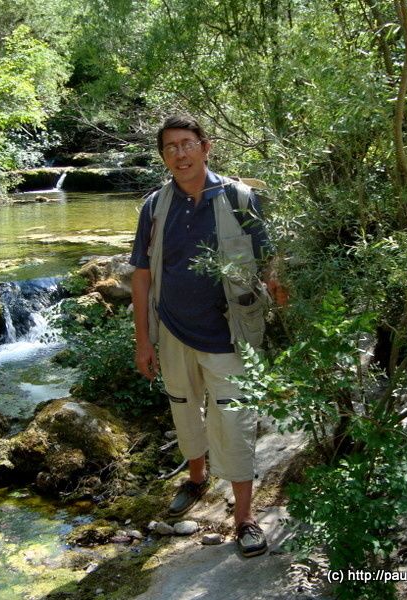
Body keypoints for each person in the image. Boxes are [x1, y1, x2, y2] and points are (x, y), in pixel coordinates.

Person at [129, 114, 284, 558]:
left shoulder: (239, 198)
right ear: (163, 156)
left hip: (229, 334)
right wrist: (144, 340)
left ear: (205, 146)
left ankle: (245, 518)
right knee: (183, 408)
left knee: (234, 421)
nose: (179, 154)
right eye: (170, 147)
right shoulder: (154, 207)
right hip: (174, 331)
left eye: (186, 144)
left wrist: (277, 283)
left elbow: (267, 256)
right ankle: (196, 479)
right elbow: (141, 276)